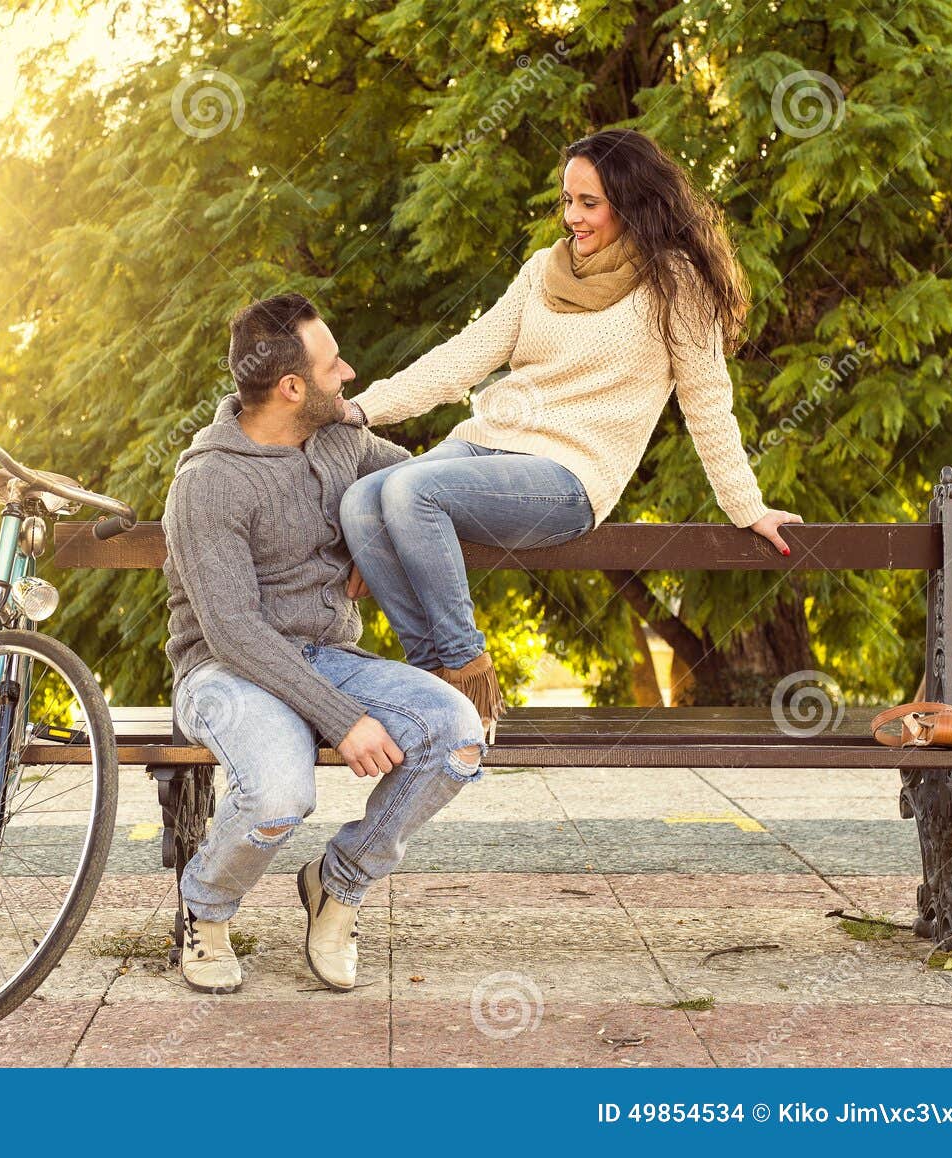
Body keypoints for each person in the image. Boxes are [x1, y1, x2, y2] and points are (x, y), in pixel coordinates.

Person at [338, 128, 804, 740]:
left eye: (590, 203)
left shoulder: (675, 284)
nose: (573, 218)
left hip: (568, 475)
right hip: (483, 444)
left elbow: (708, 403)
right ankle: (433, 687)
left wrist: (746, 507)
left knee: (408, 494)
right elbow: (463, 357)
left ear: (632, 202)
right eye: (567, 200)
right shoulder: (542, 271)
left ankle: (467, 674)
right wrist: (362, 409)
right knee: (360, 501)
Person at [161, 292, 486, 995]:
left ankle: (337, 886)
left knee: (457, 736)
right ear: (290, 388)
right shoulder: (209, 481)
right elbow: (235, 631)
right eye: (333, 363)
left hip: (327, 655)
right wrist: (344, 719)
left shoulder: (342, 440)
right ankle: (207, 908)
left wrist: (375, 542)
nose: (349, 373)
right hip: (225, 672)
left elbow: (416, 484)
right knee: (279, 795)